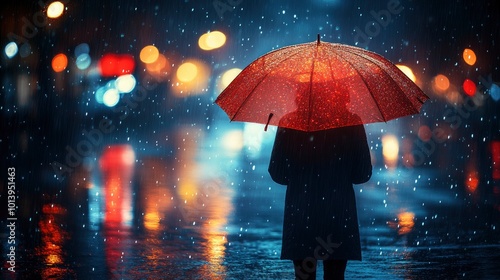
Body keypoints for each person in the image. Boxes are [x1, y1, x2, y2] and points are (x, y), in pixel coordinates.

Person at [268, 84, 372, 280]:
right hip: (339, 213)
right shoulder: (351, 122)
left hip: (301, 213)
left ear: (300, 94)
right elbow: (363, 174)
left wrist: (301, 173)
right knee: (335, 276)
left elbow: (278, 173)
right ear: (342, 93)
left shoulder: (290, 122)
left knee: (304, 276)